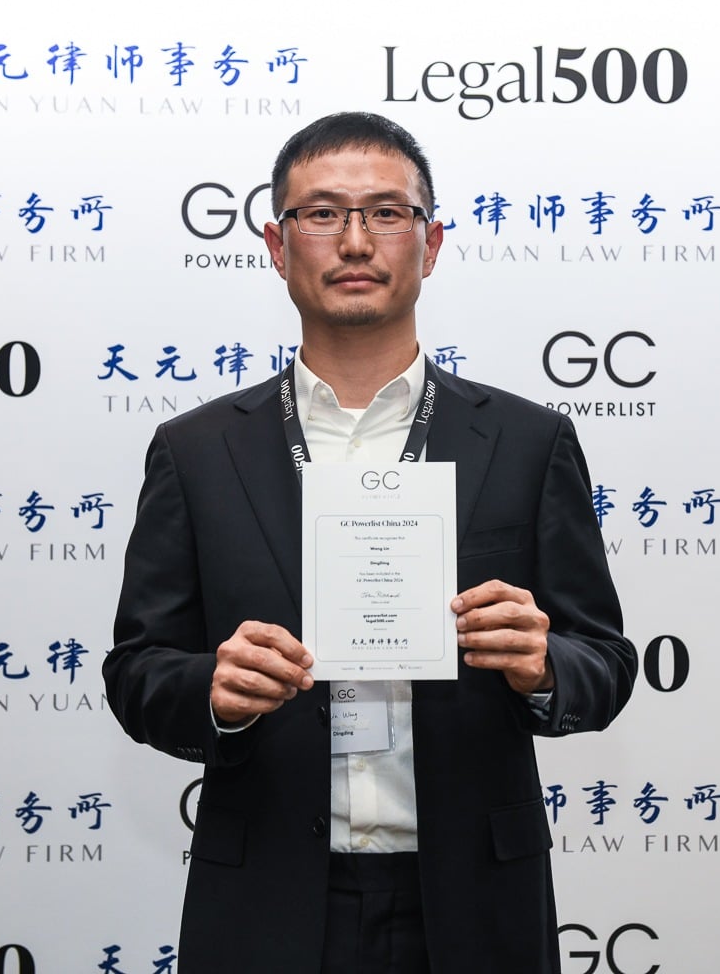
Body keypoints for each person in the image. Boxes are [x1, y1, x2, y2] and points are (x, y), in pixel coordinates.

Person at [105, 111, 635, 973]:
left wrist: (544, 666)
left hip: (474, 904)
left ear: (432, 244)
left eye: (387, 213)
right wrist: (214, 690)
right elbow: (136, 671)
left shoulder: (528, 441)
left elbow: (605, 660)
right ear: (277, 246)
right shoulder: (198, 450)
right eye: (322, 214)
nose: (355, 241)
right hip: (266, 899)